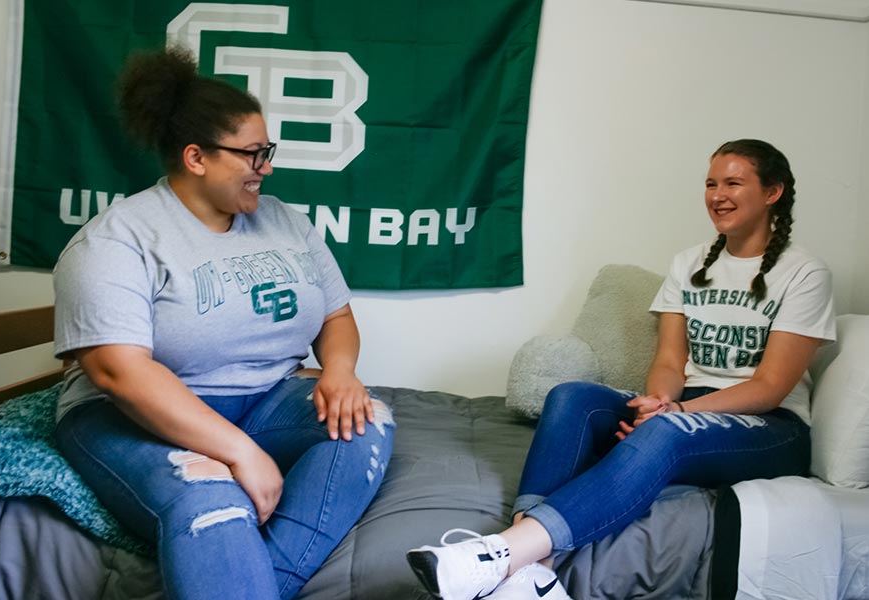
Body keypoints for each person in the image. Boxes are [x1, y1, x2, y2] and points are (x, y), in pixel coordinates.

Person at [406, 139, 835, 600]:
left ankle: (499, 554)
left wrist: (674, 418)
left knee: (665, 433)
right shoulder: (689, 263)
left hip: (770, 428)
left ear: (772, 193)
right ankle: (530, 569)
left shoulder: (804, 273)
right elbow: (670, 361)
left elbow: (769, 388)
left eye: (733, 183)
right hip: (690, 409)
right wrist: (661, 401)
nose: (717, 195)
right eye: (711, 183)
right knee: (572, 395)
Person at [52, 45, 395, 600]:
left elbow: (336, 315)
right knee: (213, 499)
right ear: (196, 158)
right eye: (254, 155)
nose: (269, 168)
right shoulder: (116, 240)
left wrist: (339, 371)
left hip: (261, 400)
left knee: (366, 421)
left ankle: (260, 584)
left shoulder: (286, 221)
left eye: (268, 152)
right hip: (131, 416)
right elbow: (119, 374)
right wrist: (239, 453)